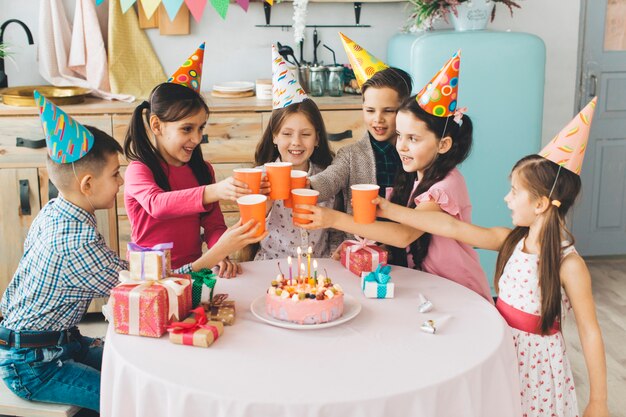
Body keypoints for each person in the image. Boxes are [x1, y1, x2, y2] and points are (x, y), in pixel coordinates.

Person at [367, 99, 609, 417]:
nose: (507, 198)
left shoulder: (569, 264)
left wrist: (599, 401)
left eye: (515, 191)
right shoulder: (509, 240)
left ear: (540, 204)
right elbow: (449, 225)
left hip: (538, 367)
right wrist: (387, 209)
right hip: (501, 349)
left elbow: (590, 332)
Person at [298, 52, 493, 302]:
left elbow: (404, 235)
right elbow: (329, 179)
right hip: (418, 279)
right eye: (401, 136)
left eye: (412, 138)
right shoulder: (414, 172)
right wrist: (306, 185)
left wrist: (335, 218)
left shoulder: (441, 184)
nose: (401, 146)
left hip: (456, 289)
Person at [124, 44, 264, 277]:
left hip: (195, 270)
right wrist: (214, 191)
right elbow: (157, 205)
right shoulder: (139, 170)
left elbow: (214, 226)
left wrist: (220, 252)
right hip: (149, 277)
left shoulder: (202, 170)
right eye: (187, 129)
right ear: (156, 125)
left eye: (200, 128)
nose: (197, 138)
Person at [252, 46, 338, 259]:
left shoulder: (329, 177)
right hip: (271, 267)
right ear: (274, 137)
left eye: (306, 134)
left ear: (317, 138)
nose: (296, 143)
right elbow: (249, 232)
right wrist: (266, 202)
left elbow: (336, 231)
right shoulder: (259, 177)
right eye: (287, 134)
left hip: (319, 269)